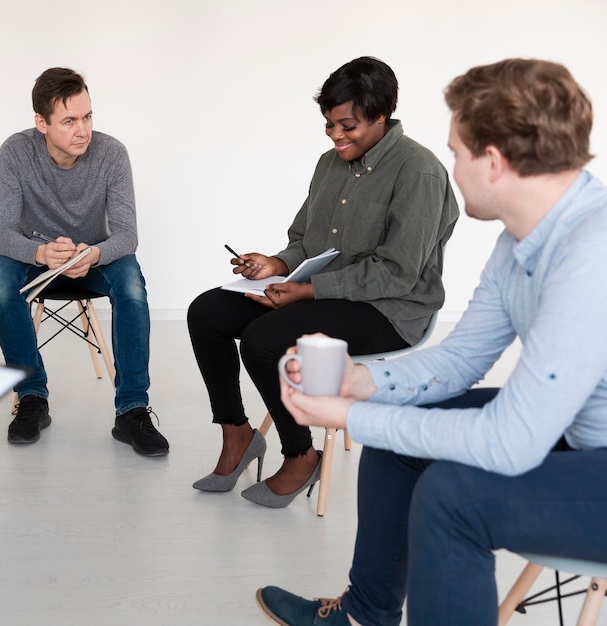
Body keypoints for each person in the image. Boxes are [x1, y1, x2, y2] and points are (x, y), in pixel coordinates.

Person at [255, 58, 607, 625]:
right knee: (399, 439)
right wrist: (363, 384)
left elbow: (511, 440)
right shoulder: (523, 238)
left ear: (493, 162)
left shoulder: (593, 254)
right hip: (575, 431)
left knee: (453, 500)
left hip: (591, 456)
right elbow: (464, 356)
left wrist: (351, 416)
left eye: (458, 153)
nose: (452, 169)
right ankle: (364, 614)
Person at [187, 56, 458, 508]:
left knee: (262, 340)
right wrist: (275, 264)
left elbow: (398, 271)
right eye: (329, 126)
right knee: (206, 312)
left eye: (347, 126)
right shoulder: (330, 164)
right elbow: (304, 242)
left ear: (381, 114)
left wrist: (306, 291)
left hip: (391, 309)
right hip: (320, 293)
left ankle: (301, 454)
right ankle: (237, 432)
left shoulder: (419, 172)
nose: (336, 136)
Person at [0, 67, 169, 457]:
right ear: (41, 122)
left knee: (131, 282)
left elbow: (126, 234)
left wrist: (94, 254)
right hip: (38, 262)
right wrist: (39, 253)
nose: (82, 130)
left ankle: (132, 409)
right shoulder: (16, 153)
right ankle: (31, 396)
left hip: (93, 261)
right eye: (69, 121)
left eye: (87, 117)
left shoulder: (112, 153)